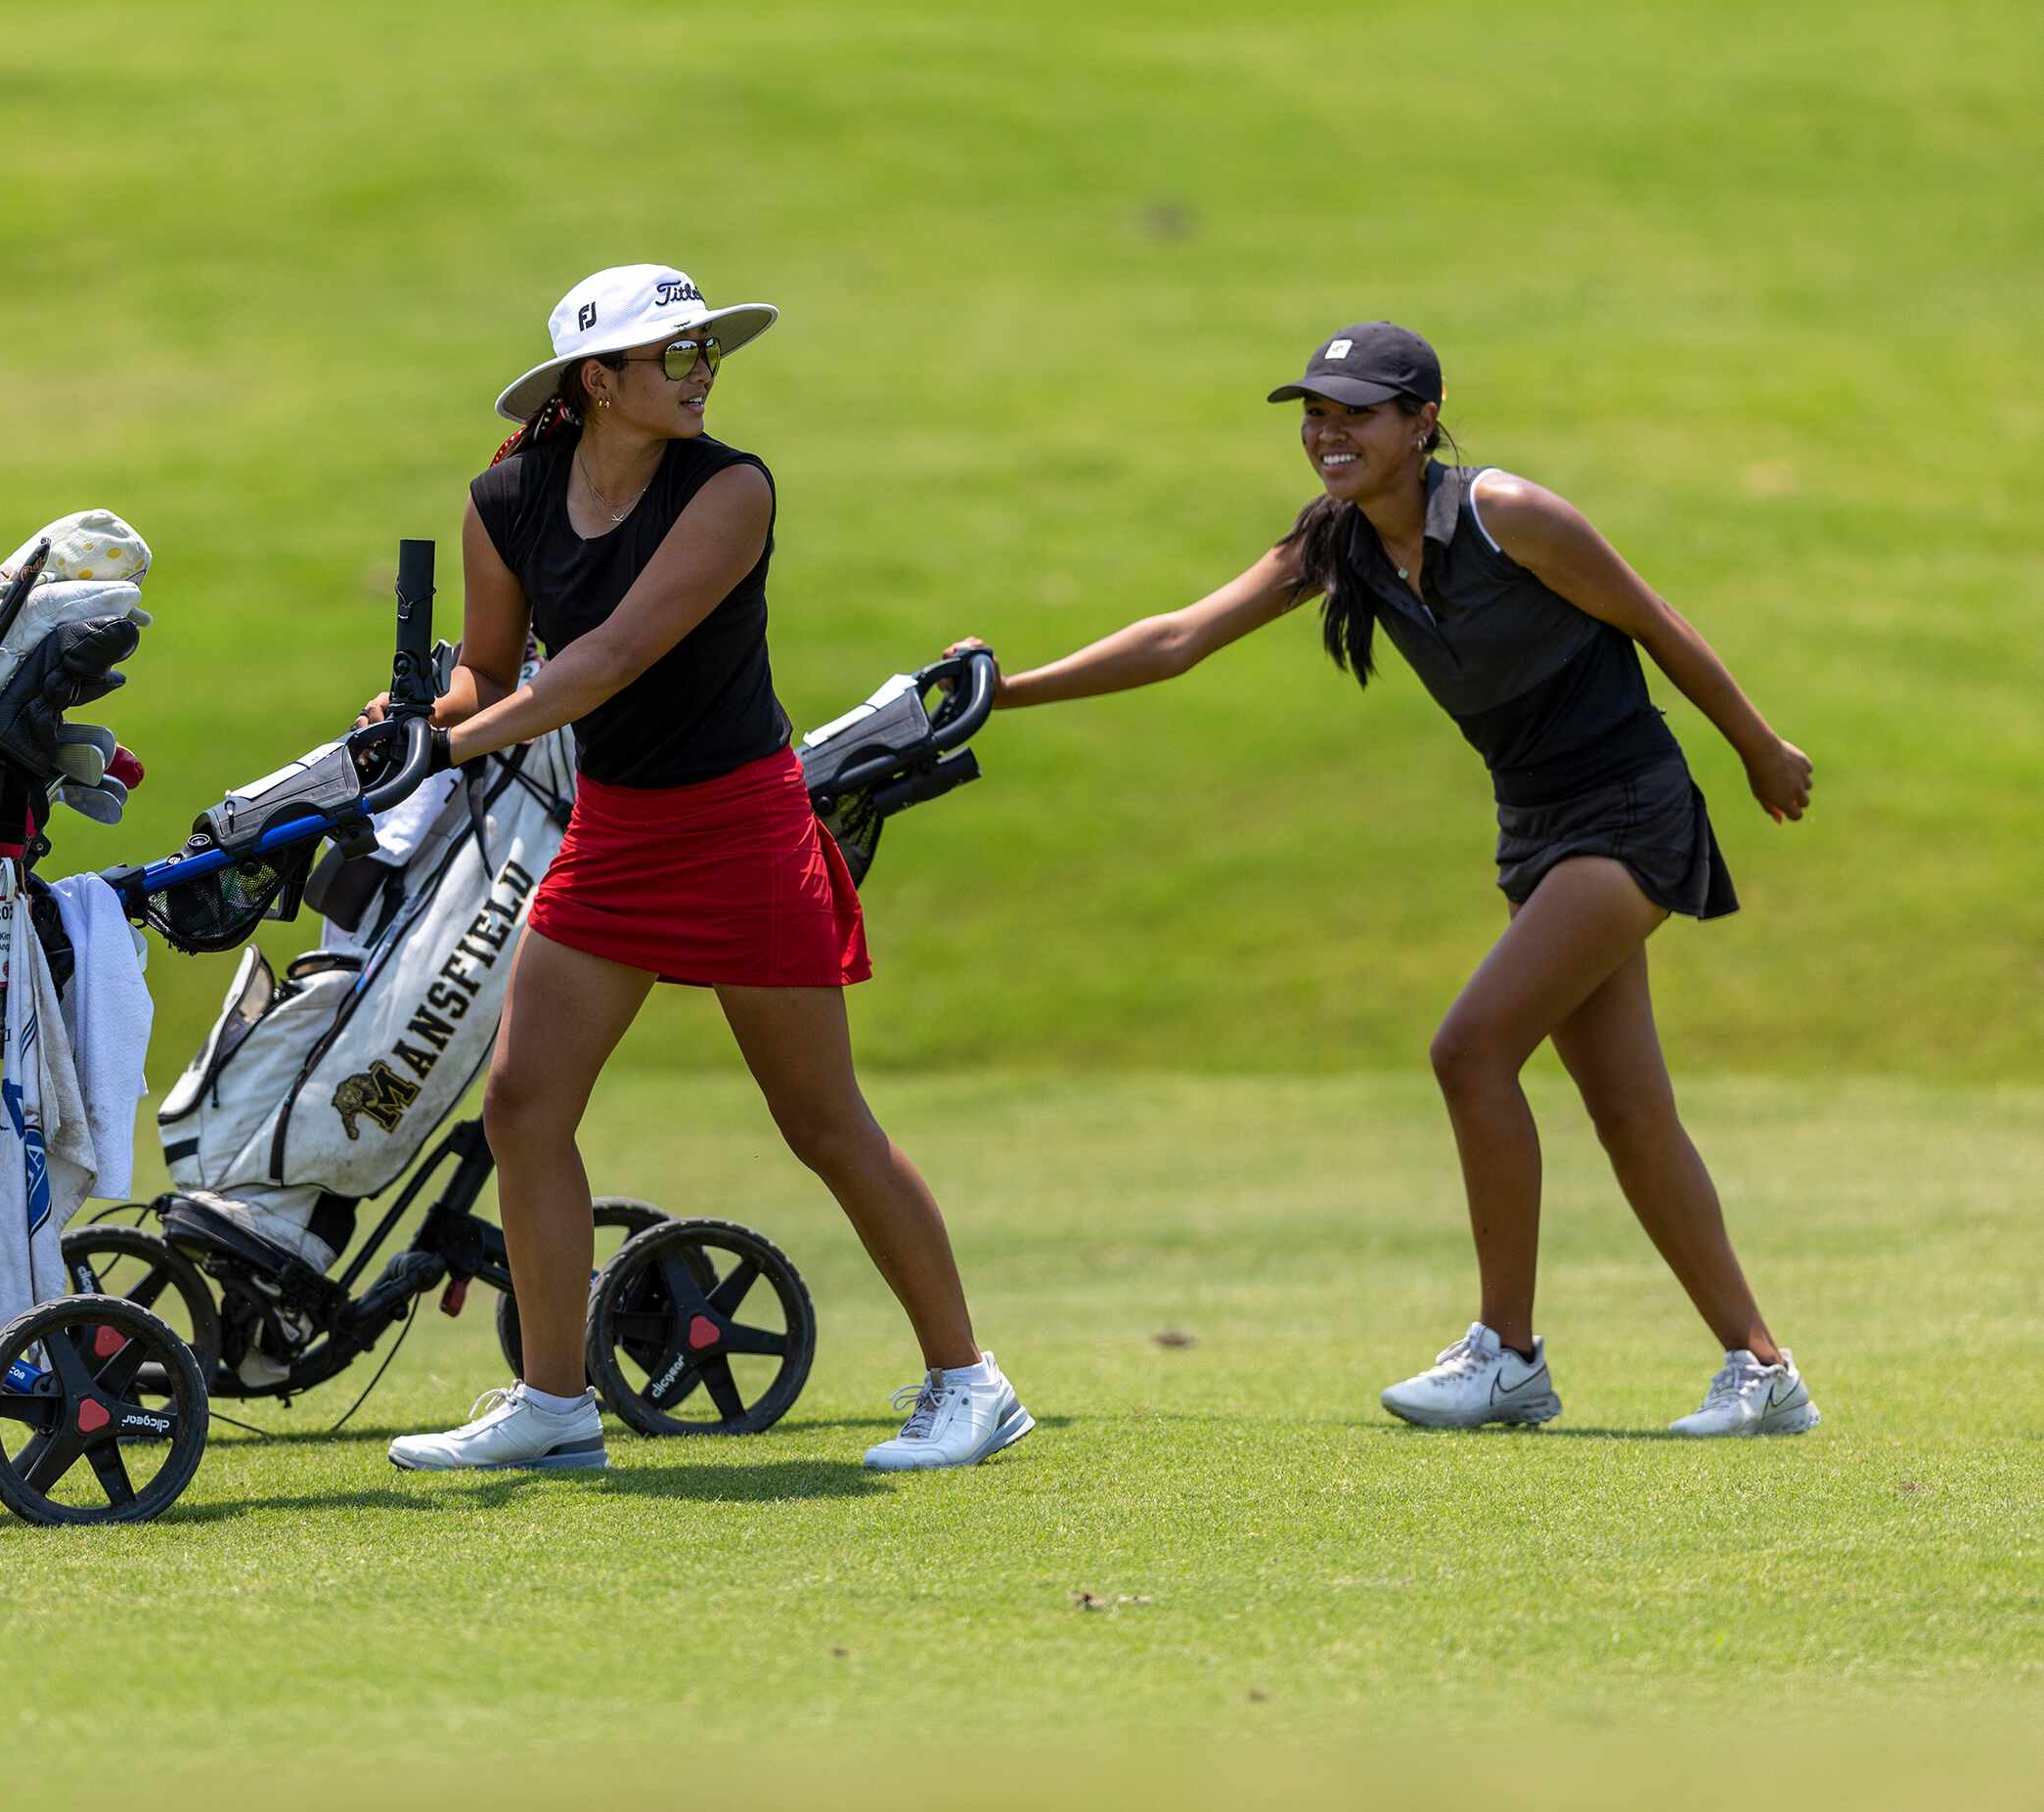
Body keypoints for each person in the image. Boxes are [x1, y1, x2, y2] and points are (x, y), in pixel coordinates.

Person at [957, 322, 1820, 1437]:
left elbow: (1653, 622)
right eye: (1316, 412)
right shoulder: (1340, 544)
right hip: (1538, 825)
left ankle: (1507, 1354)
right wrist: (1004, 693)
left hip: (1629, 811)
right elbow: (1179, 639)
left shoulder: (1509, 513)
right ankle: (1763, 1372)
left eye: (1357, 411)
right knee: (1629, 1112)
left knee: (1470, 1048)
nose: (1328, 431)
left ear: (1423, 422)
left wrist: (1758, 747)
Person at [378, 263, 1032, 1474]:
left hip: (740, 826)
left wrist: (457, 745)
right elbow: (486, 665)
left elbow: (611, 657)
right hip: (619, 831)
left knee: (822, 1121)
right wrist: (423, 719)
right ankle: (556, 1408)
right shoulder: (505, 499)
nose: (702, 372)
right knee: (523, 1106)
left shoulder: (730, 488)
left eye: (704, 351)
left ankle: (970, 1382)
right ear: (601, 381)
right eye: (673, 355)